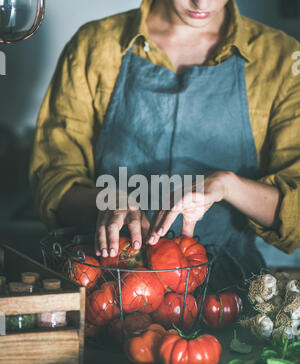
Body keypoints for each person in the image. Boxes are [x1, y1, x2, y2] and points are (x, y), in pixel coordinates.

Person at [30, 0, 300, 288]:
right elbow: (52, 180)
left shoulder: (283, 58)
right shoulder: (94, 45)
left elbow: (294, 209)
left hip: (229, 294)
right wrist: (105, 201)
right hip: (110, 286)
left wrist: (228, 185)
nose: (203, 3)